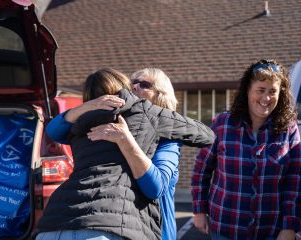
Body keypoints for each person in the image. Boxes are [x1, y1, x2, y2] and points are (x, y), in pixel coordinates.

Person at [36, 68, 214, 240]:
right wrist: (90, 106)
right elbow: (54, 131)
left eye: (144, 84)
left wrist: (125, 140)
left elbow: (156, 187)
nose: (134, 86)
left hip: (148, 227)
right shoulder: (95, 122)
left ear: (161, 94)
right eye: (132, 82)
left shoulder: (164, 134)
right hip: (117, 225)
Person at [191, 59, 301, 240]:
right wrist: (199, 210)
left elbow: (294, 182)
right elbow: (201, 169)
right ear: (247, 90)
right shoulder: (223, 124)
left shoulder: (288, 129)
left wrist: (290, 226)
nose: (266, 98)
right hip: (225, 228)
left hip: (271, 231)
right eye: (260, 90)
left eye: (272, 91)